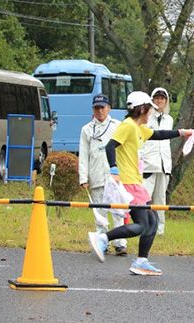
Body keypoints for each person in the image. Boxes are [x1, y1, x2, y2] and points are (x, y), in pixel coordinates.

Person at [87, 91, 194, 275]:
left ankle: (142, 261)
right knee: (143, 224)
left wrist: (183, 132)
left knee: (152, 222)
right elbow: (111, 145)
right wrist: (114, 169)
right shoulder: (128, 126)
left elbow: (159, 134)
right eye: (150, 109)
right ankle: (102, 238)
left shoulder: (139, 128)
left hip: (137, 183)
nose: (152, 112)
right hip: (129, 183)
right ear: (142, 109)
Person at [79, 94, 127, 256]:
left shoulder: (117, 126)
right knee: (100, 212)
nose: (100, 111)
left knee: (118, 211)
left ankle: (120, 243)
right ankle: (102, 242)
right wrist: (83, 177)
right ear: (93, 109)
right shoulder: (87, 129)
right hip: (97, 174)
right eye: (97, 108)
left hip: (115, 176)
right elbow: (84, 155)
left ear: (109, 108)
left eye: (103, 107)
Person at [142, 87, 173, 235]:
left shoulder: (169, 119)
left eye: (162, 98)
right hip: (149, 163)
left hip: (164, 164)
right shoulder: (146, 117)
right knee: (145, 197)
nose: (159, 101)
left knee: (160, 199)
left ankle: (160, 229)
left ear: (166, 101)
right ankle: (145, 226)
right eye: (157, 98)